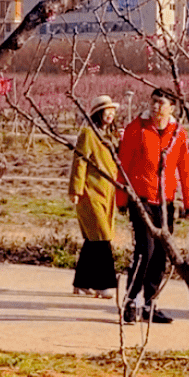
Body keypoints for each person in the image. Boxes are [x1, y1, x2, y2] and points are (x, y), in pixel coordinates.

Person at [117, 85, 189, 324]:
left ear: (172, 107)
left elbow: (185, 169)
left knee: (161, 255)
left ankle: (150, 303)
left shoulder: (177, 133)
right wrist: (122, 199)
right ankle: (131, 302)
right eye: (153, 101)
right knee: (145, 251)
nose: (156, 107)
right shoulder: (137, 128)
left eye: (161, 103)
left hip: (165, 201)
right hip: (141, 199)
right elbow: (122, 165)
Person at [68, 94, 120, 299]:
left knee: (93, 239)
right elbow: (79, 161)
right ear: (98, 112)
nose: (111, 114)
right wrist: (75, 190)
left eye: (113, 110)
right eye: (107, 110)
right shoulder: (88, 134)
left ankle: (81, 283)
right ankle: (103, 284)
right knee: (102, 237)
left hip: (108, 193)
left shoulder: (112, 135)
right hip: (90, 192)